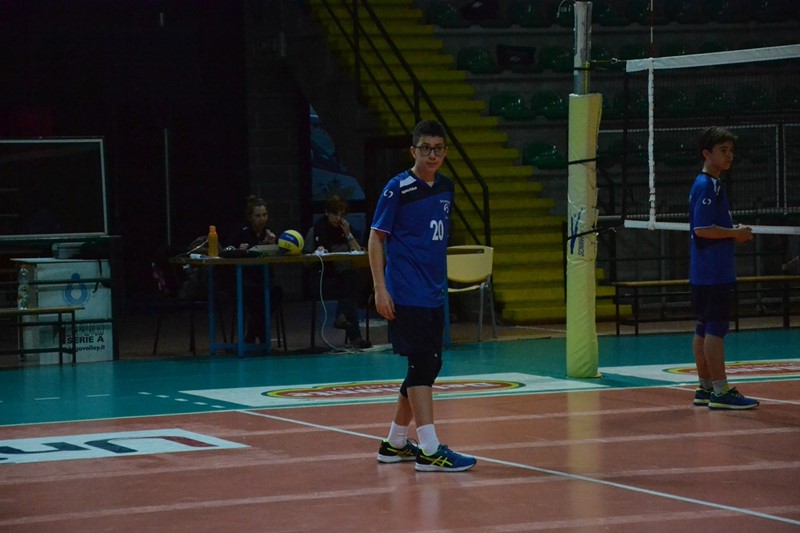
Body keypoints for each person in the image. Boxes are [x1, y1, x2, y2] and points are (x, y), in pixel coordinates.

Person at [368, 120, 477, 472]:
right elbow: (376, 238)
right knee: (422, 364)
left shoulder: (445, 187)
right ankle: (429, 449)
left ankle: (395, 443)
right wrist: (380, 288)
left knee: (430, 364)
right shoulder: (397, 188)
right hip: (405, 291)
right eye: (426, 148)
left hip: (432, 291)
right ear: (413, 151)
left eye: (438, 149)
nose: (432, 155)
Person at [689, 126, 758, 410]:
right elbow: (702, 228)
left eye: (731, 151)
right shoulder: (708, 185)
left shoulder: (707, 184)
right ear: (707, 153)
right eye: (723, 150)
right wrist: (735, 233)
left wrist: (731, 230)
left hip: (703, 270)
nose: (729, 156)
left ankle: (705, 388)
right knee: (716, 328)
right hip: (714, 271)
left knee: (704, 327)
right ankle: (720, 391)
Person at [306, 195, 371, 350]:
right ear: (326, 212)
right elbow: (306, 260)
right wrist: (316, 254)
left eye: (342, 215)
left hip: (345, 279)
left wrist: (348, 235)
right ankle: (355, 336)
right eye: (335, 214)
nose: (338, 218)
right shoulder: (315, 231)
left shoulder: (348, 230)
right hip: (324, 280)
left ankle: (343, 320)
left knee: (350, 281)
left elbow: (360, 253)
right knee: (350, 290)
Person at [226, 195, 282, 344]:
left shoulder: (269, 232)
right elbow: (226, 250)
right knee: (255, 295)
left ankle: (252, 331)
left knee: (276, 293)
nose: (262, 219)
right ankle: (260, 334)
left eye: (264, 215)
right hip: (244, 280)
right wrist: (239, 250)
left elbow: (278, 254)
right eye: (258, 216)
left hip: (264, 279)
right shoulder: (241, 232)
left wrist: (273, 245)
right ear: (250, 217)